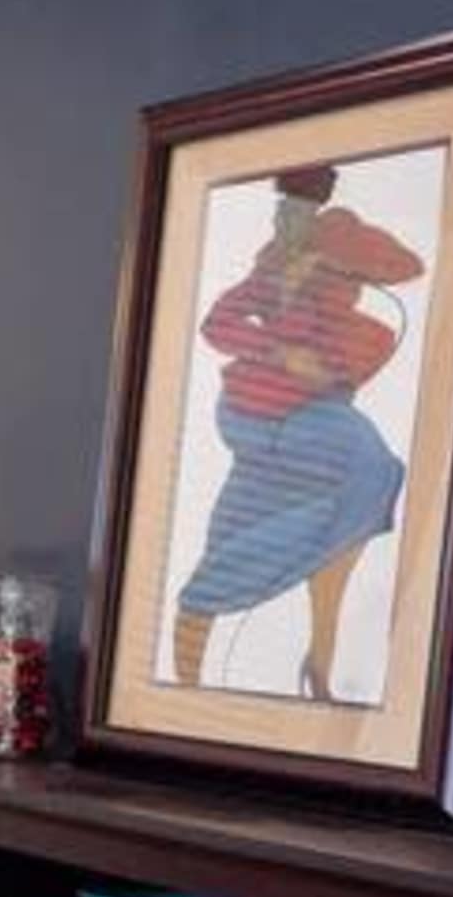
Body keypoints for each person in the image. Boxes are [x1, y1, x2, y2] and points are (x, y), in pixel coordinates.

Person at [167, 165, 426, 701]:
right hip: (255, 413)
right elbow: (216, 325)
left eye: (296, 213)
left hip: (313, 410)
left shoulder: (339, 235)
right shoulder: (268, 270)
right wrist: (277, 351)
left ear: (316, 213)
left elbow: (409, 266)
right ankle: (188, 683)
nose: (284, 223)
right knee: (368, 472)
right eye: (280, 212)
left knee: (358, 481)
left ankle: (317, 656)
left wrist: (333, 260)